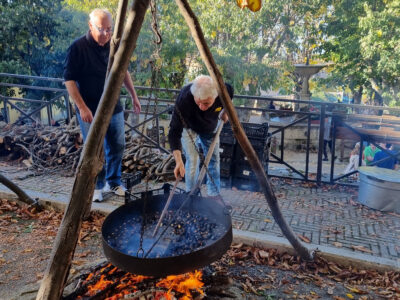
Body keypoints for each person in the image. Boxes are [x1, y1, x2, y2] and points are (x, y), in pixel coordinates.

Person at [63, 8, 141, 202]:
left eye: (109, 29)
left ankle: (113, 181)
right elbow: (69, 81)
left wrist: (134, 95)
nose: (106, 34)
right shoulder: (77, 47)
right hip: (89, 108)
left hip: (113, 107)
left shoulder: (113, 45)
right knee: (93, 150)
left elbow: (123, 71)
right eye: (102, 29)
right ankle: (96, 186)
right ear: (90, 26)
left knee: (118, 145)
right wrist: (82, 107)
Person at [168, 75, 233, 196]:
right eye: (198, 102)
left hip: (209, 126)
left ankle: (214, 195)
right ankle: (192, 195)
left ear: (215, 96)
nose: (202, 107)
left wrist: (225, 111)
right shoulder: (184, 98)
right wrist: (178, 161)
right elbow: (174, 132)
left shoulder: (224, 90)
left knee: (214, 161)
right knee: (192, 160)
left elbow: (230, 96)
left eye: (206, 103)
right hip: (189, 127)